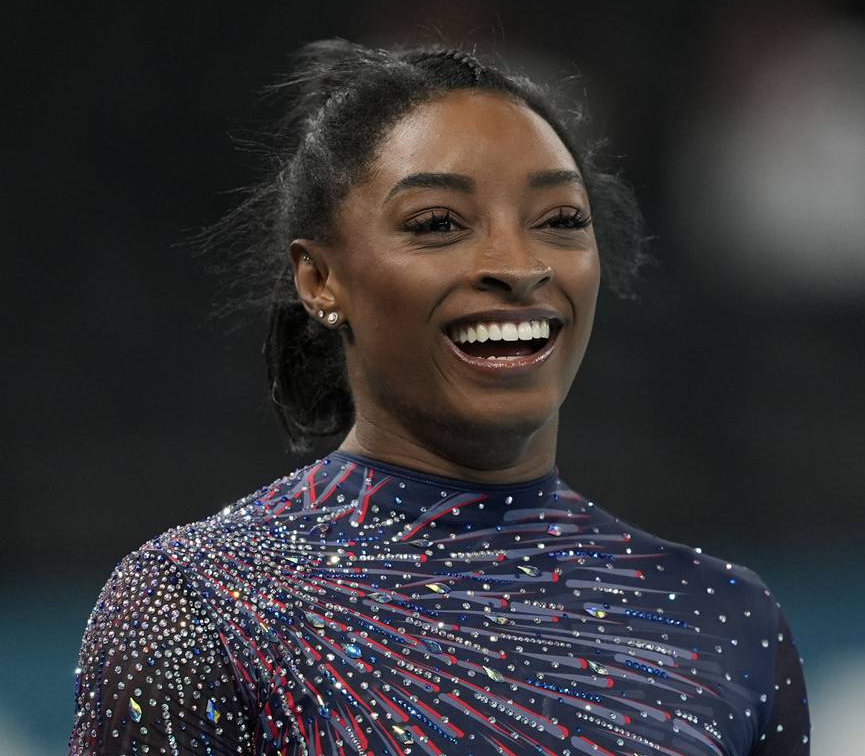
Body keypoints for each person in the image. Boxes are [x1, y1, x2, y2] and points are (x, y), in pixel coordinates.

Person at [68, 39, 811, 755]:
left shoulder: (722, 620)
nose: (518, 265)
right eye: (438, 224)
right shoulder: (202, 605)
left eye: (560, 221)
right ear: (320, 280)